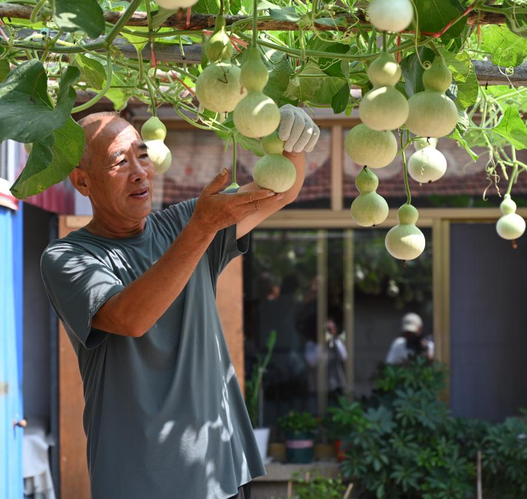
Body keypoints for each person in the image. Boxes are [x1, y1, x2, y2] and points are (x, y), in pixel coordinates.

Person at [40, 106, 320, 499]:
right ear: (82, 182)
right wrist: (202, 228)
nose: (139, 171)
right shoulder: (68, 257)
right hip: (140, 480)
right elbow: (131, 318)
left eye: (142, 154)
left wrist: (293, 141)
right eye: (120, 162)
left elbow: (280, 190)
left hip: (220, 470)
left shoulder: (183, 222)